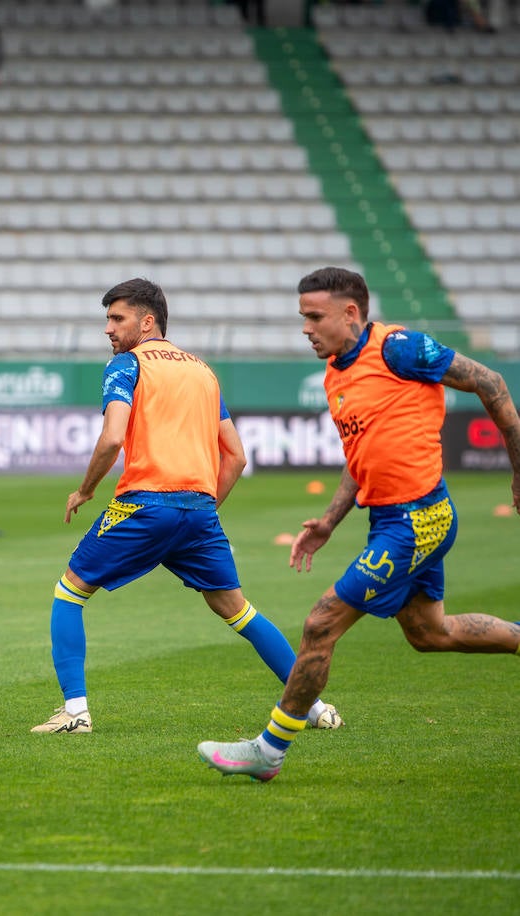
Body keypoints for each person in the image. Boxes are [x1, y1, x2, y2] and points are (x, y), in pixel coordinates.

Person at [198, 267, 520, 780]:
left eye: (314, 316)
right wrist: (329, 519)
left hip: (418, 518)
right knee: (429, 633)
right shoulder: (335, 374)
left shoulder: (399, 349)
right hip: (390, 519)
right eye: (302, 317)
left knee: (320, 623)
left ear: (350, 314)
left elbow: (491, 383)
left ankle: (269, 751)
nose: (305, 327)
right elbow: (362, 455)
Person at [33, 278, 341, 736]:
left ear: (147, 320)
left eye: (117, 318)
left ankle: (75, 712)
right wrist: (201, 507)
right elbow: (235, 455)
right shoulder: (202, 370)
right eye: (108, 320)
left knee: (69, 592)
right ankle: (314, 707)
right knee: (238, 610)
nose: (109, 329)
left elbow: (113, 437)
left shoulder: (125, 365)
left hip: (143, 503)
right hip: (199, 511)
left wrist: (85, 489)